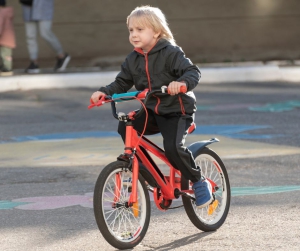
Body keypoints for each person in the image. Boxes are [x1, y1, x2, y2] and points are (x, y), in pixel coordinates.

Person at [90, 6, 212, 208]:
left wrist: (181, 84)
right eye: (131, 30)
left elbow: (192, 71)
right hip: (152, 110)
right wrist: (104, 92)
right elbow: (121, 82)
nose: (134, 34)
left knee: (173, 148)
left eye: (140, 30)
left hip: (176, 111)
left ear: (156, 31)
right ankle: (146, 173)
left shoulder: (170, 53)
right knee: (126, 127)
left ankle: (199, 181)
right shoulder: (133, 59)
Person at [20, 0, 70, 73]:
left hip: (42, 5)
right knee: (30, 36)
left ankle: (61, 55)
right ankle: (34, 62)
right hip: (27, 5)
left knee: (45, 32)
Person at [0, 0, 16, 76]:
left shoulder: (1, 12)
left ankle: (6, 69)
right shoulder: (8, 12)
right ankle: (7, 67)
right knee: (7, 55)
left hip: (3, 38)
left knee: (4, 54)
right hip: (9, 38)